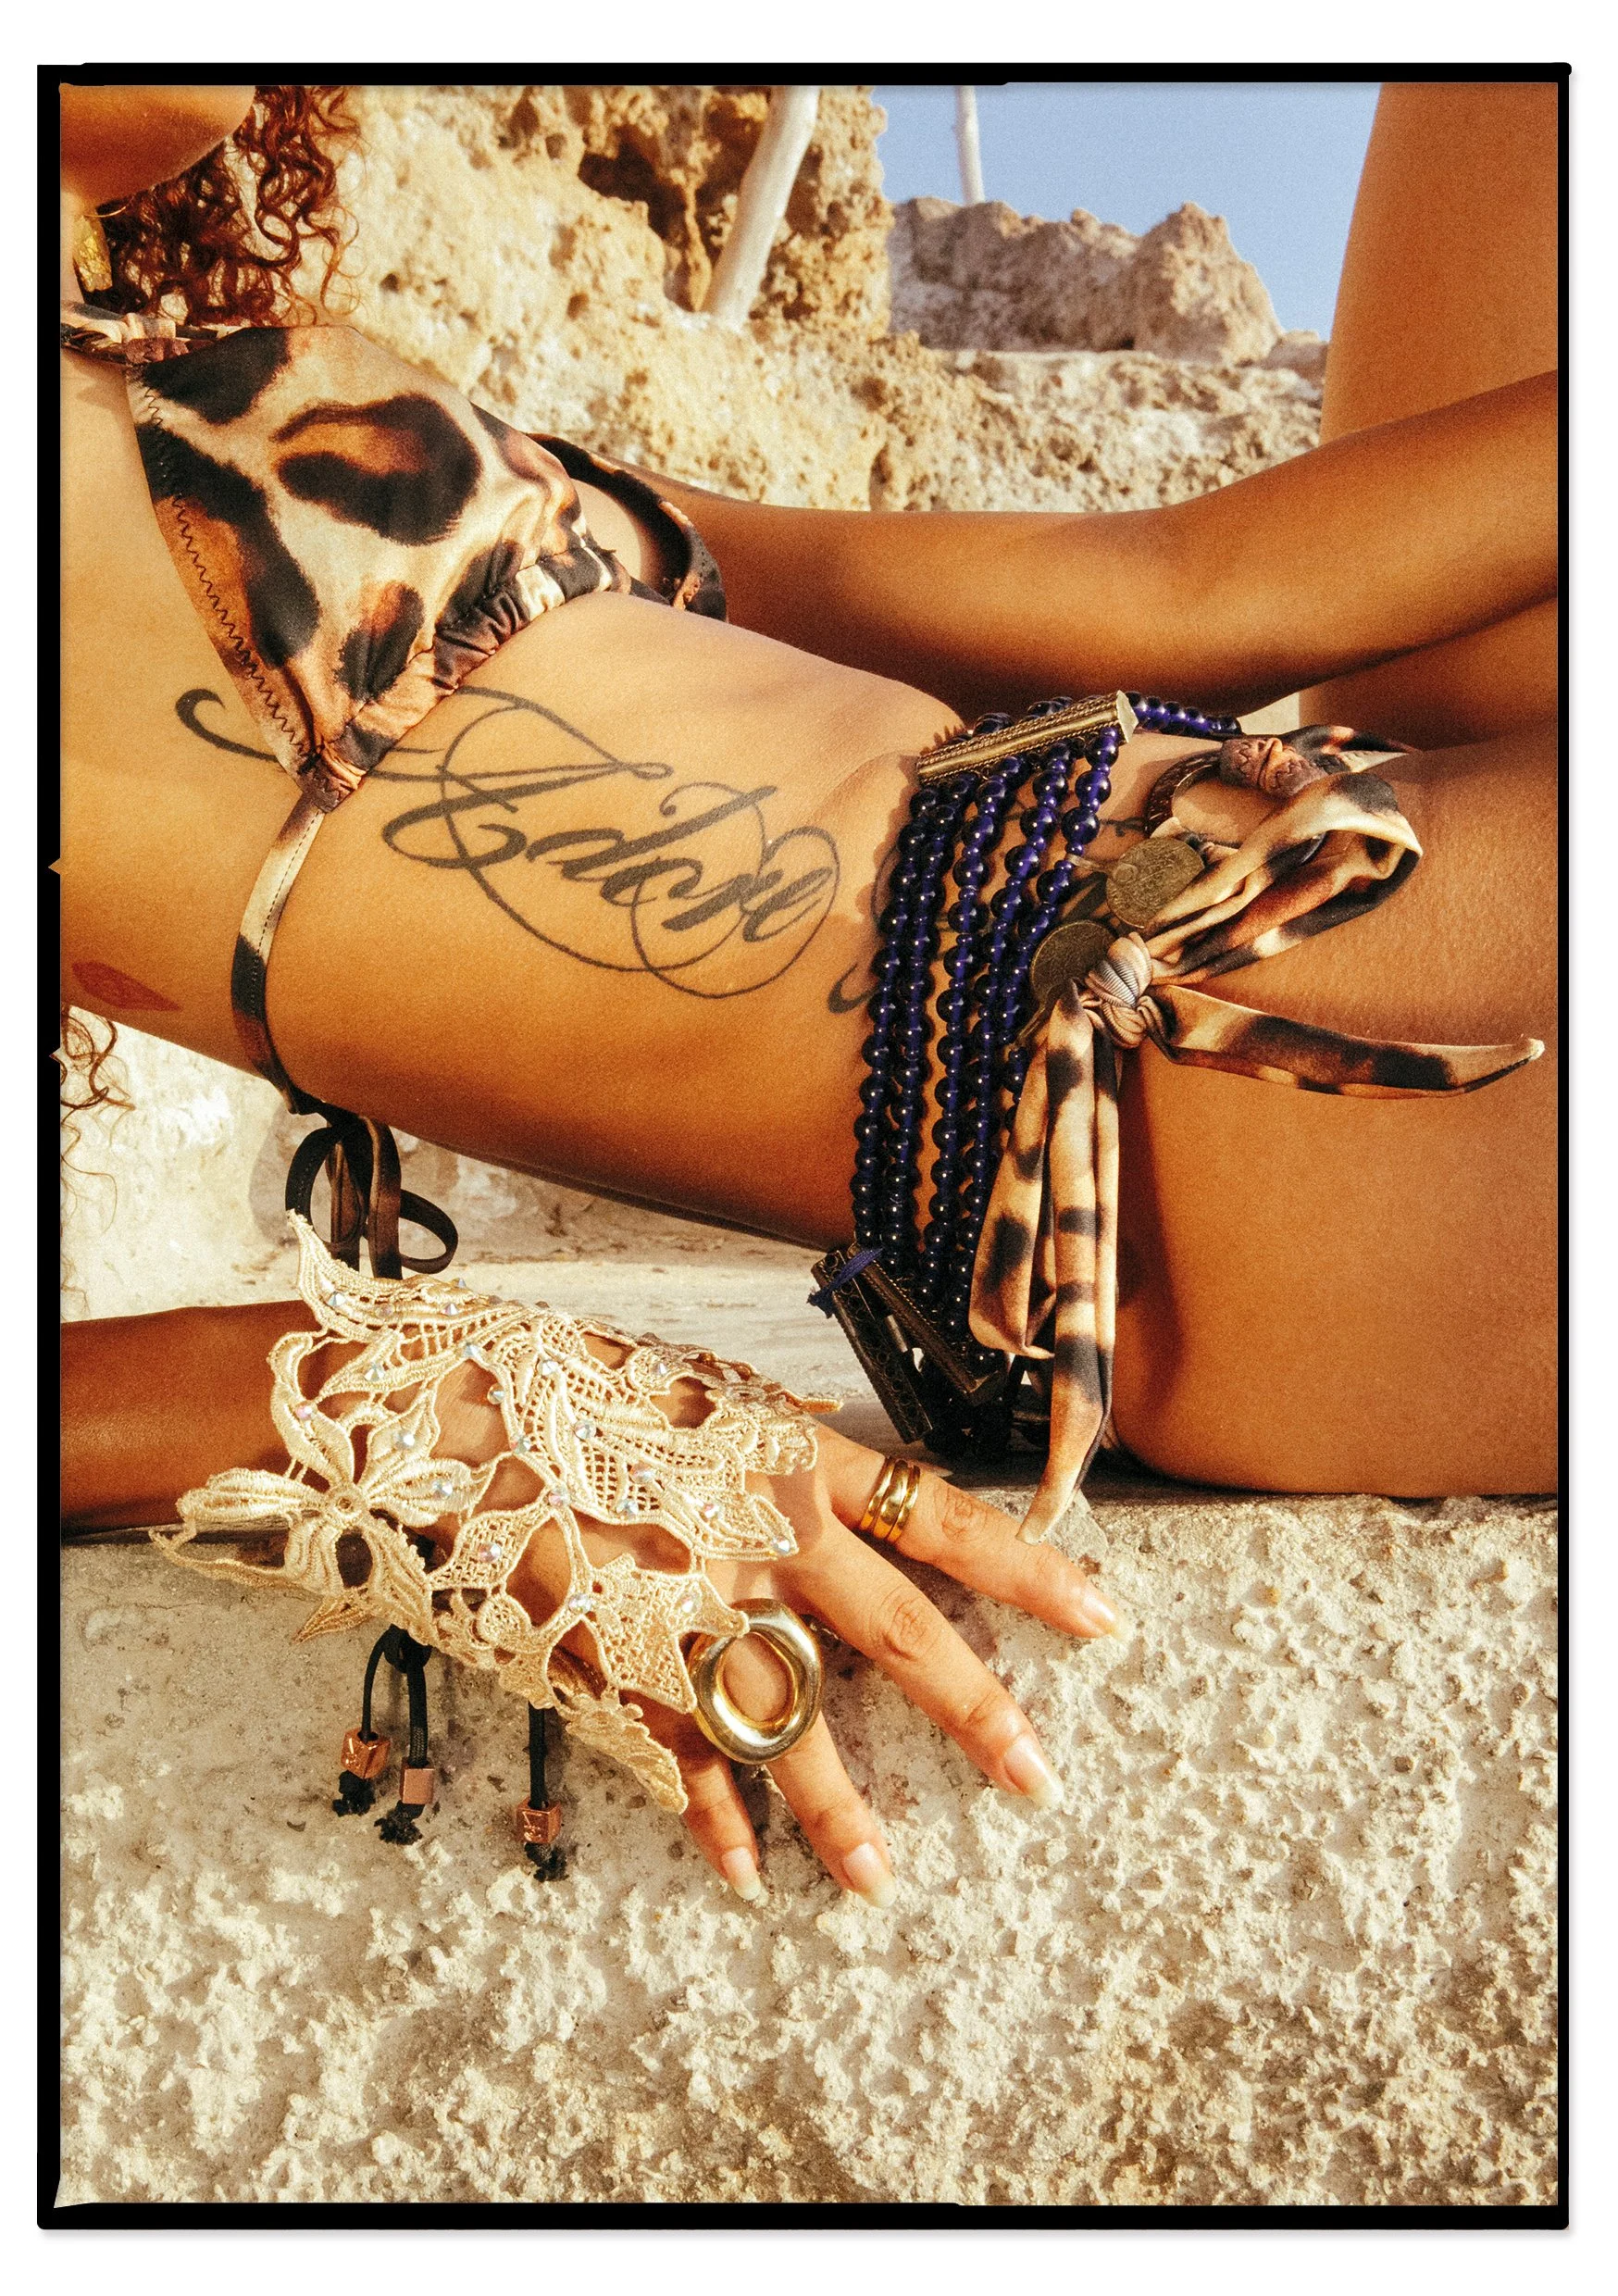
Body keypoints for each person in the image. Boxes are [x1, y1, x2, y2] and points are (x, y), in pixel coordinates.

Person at [59, 81, 1558, 1904]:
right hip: (1219, 1101)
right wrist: (404, 1401)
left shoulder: (184, 360)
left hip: (1300, 881)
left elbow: (1187, 582)